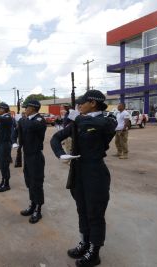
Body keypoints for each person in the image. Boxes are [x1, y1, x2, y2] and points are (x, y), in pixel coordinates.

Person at [50, 90, 117, 267]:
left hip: (95, 172)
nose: (79, 106)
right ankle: (85, 243)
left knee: (95, 213)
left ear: (93, 103)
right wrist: (60, 154)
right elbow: (56, 138)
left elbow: (105, 126)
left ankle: (94, 252)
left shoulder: (107, 120)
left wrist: (77, 118)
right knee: (82, 210)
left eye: (82, 102)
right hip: (78, 171)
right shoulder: (79, 121)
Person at [17, 99, 47, 224]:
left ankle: (38, 209)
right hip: (27, 155)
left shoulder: (39, 120)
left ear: (33, 108)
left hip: (36, 156)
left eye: (26, 108)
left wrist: (22, 120)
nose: (25, 110)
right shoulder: (26, 120)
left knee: (36, 183)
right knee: (29, 181)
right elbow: (19, 131)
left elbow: (28, 125)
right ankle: (32, 204)